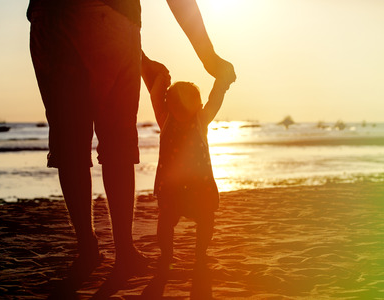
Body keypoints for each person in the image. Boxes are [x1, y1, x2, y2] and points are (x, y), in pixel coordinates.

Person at [27, 0, 236, 286]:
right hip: (110, 16)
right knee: (116, 144)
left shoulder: (191, 122)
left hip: (50, 15)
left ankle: (89, 250)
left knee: (70, 142)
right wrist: (207, 55)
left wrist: (143, 60)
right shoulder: (180, 120)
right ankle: (123, 251)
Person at [149, 73, 234, 268]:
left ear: (197, 105)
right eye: (177, 103)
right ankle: (167, 254)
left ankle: (200, 253)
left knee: (206, 219)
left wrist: (222, 82)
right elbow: (155, 97)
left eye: (188, 103)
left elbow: (215, 101)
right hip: (172, 187)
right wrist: (160, 80)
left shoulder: (200, 120)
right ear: (169, 104)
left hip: (199, 186)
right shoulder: (165, 119)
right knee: (166, 221)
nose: (182, 108)